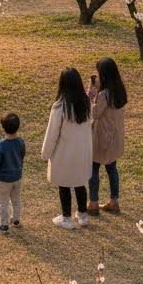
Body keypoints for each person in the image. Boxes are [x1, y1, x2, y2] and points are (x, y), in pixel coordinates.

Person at [41, 67, 93, 230]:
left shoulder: (60, 106)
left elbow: (52, 133)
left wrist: (45, 153)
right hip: (82, 151)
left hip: (64, 152)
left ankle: (66, 217)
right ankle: (83, 215)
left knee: (64, 184)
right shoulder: (85, 103)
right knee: (79, 182)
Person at [87, 57, 127, 215]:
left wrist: (91, 97)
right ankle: (114, 201)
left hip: (102, 137)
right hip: (116, 136)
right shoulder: (120, 90)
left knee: (94, 169)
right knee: (112, 169)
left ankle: (93, 203)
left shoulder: (104, 95)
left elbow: (95, 114)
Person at [0, 112, 26, 234]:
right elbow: (22, 155)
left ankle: (3, 224)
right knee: (16, 199)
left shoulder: (1, 145)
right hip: (17, 177)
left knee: (2, 202)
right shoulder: (20, 142)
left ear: (3, 128)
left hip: (4, 179)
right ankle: (16, 219)